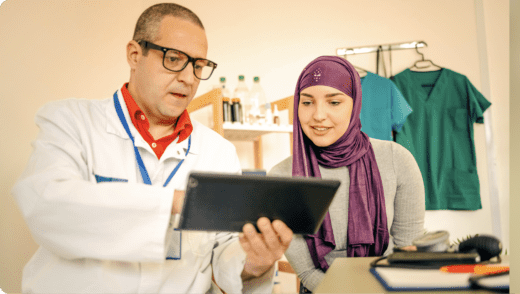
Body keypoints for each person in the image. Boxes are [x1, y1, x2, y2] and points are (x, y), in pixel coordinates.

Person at [12, 3, 292, 293]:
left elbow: (222, 255)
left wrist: (254, 261)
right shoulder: (71, 121)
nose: (189, 78)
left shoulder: (218, 151)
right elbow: (47, 207)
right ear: (135, 55)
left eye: (198, 66)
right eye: (173, 59)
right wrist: (178, 202)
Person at [269, 56, 425, 292]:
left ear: (355, 104)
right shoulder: (281, 177)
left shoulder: (396, 159)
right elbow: (308, 272)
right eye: (307, 102)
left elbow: (407, 252)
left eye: (334, 102)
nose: (318, 115)